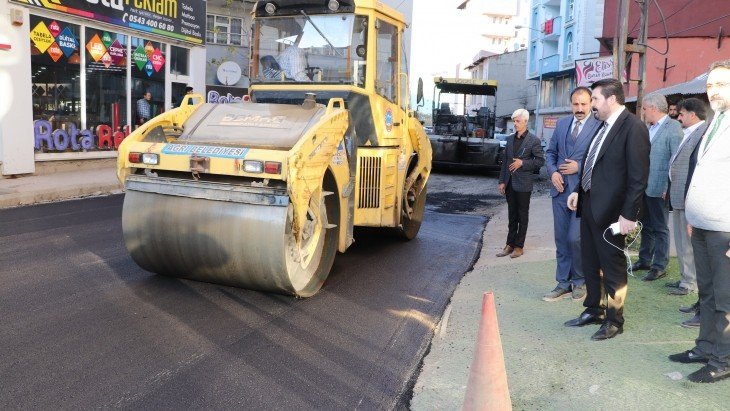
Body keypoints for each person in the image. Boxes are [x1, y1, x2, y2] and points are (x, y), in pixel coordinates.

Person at [564, 78, 650, 341]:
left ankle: (614, 320)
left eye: (596, 100)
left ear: (612, 99)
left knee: (612, 267)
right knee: (590, 261)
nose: (592, 105)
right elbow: (592, 163)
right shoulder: (602, 127)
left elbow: (638, 177)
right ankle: (594, 309)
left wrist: (629, 214)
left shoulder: (633, 127)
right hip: (590, 206)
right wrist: (579, 190)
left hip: (614, 213)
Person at [669, 60, 730, 383]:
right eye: (710, 85)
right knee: (706, 293)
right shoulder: (717, 120)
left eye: (721, 84)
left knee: (726, 299)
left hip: (725, 229)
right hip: (703, 224)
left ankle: (723, 358)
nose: (714, 91)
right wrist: (693, 215)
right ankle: (705, 347)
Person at [543, 87, 602, 301]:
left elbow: (603, 160)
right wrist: (553, 173)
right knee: (561, 239)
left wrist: (580, 167)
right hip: (559, 191)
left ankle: (580, 280)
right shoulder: (561, 124)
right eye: (575, 104)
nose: (579, 108)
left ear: (591, 103)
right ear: (571, 104)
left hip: (584, 191)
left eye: (583, 104)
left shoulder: (599, 126)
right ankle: (563, 282)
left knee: (576, 238)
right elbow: (550, 154)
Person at [631, 93, 682, 281]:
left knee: (660, 228)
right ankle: (645, 260)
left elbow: (676, 161)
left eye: (644, 109)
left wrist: (669, 187)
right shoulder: (648, 128)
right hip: (644, 187)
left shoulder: (674, 127)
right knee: (646, 225)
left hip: (660, 187)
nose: (643, 112)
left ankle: (659, 265)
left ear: (653, 108)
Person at [666, 98, 709, 297]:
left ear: (693, 115)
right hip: (679, 196)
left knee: (688, 243)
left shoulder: (703, 133)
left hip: (689, 197)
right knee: (681, 241)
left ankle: (690, 282)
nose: (678, 116)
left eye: (682, 114)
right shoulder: (689, 132)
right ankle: (686, 277)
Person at [496, 108, 545, 259]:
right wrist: (502, 181)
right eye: (514, 121)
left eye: (518, 121)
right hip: (510, 183)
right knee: (512, 216)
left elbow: (540, 161)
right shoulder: (510, 139)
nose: (515, 124)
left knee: (522, 216)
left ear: (525, 121)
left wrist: (522, 163)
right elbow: (505, 162)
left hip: (524, 185)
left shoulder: (533, 140)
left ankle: (519, 246)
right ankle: (509, 244)